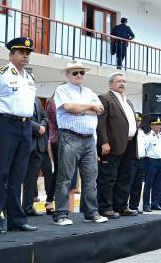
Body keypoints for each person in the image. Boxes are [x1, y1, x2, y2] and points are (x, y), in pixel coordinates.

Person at [0, 37, 38, 234]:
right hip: (5, 125)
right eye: (20, 52)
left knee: (18, 175)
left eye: (27, 53)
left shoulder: (28, 77)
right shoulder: (0, 74)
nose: (25, 56)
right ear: (11, 55)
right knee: (0, 174)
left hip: (25, 127)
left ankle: (16, 219)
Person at [52, 61, 107, 226]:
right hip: (70, 137)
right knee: (65, 178)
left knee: (91, 178)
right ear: (67, 75)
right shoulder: (62, 90)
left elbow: (101, 109)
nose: (79, 75)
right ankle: (61, 214)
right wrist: (90, 107)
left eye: (81, 72)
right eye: (75, 73)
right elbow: (69, 107)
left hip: (89, 139)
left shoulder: (89, 91)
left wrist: (80, 109)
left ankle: (91, 213)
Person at [97, 72, 139, 218]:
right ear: (110, 84)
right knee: (108, 178)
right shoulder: (105, 98)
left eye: (124, 81)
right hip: (112, 145)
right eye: (119, 81)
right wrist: (104, 142)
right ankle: (105, 208)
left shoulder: (128, 101)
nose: (122, 84)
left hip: (128, 144)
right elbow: (101, 123)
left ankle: (121, 206)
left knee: (124, 177)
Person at [22, 97, 48, 216]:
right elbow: (19, 117)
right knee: (15, 180)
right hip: (23, 143)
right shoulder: (19, 97)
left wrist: (42, 126)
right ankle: (10, 209)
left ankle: (28, 207)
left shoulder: (37, 100)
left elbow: (44, 117)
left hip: (38, 145)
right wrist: (38, 128)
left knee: (31, 180)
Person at [142, 115, 161, 212]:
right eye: (156, 125)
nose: (159, 126)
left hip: (160, 160)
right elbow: (145, 150)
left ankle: (155, 203)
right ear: (151, 126)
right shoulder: (148, 137)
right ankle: (146, 204)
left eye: (159, 124)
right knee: (149, 184)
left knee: (158, 184)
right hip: (151, 161)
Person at [128, 112, 146, 213]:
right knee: (129, 183)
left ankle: (134, 206)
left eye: (139, 120)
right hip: (132, 160)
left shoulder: (142, 132)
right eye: (136, 120)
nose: (137, 122)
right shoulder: (130, 132)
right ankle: (124, 205)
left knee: (138, 184)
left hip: (141, 160)